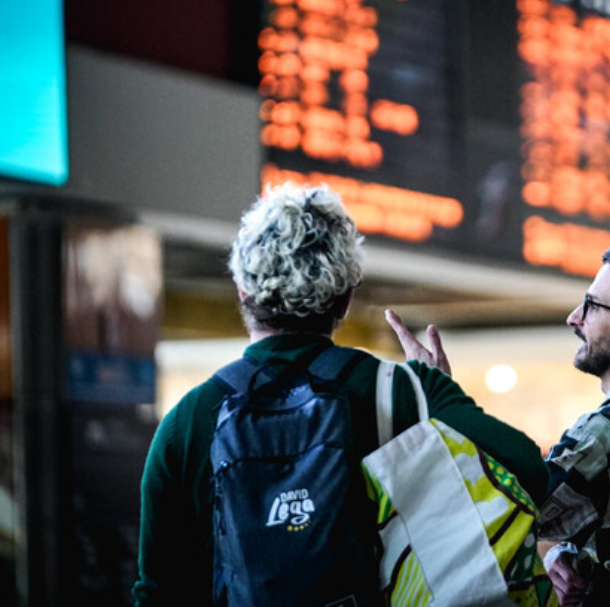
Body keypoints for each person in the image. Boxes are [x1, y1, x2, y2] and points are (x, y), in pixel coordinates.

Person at [132, 183, 548, 605]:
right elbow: (530, 471)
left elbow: (157, 590)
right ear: (346, 298)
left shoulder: (188, 422)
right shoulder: (403, 394)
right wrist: (439, 405)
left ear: (242, 289)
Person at [388, 239, 610, 605]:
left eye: (592, 305)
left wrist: (439, 397)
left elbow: (507, 508)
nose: (574, 317)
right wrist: (571, 555)